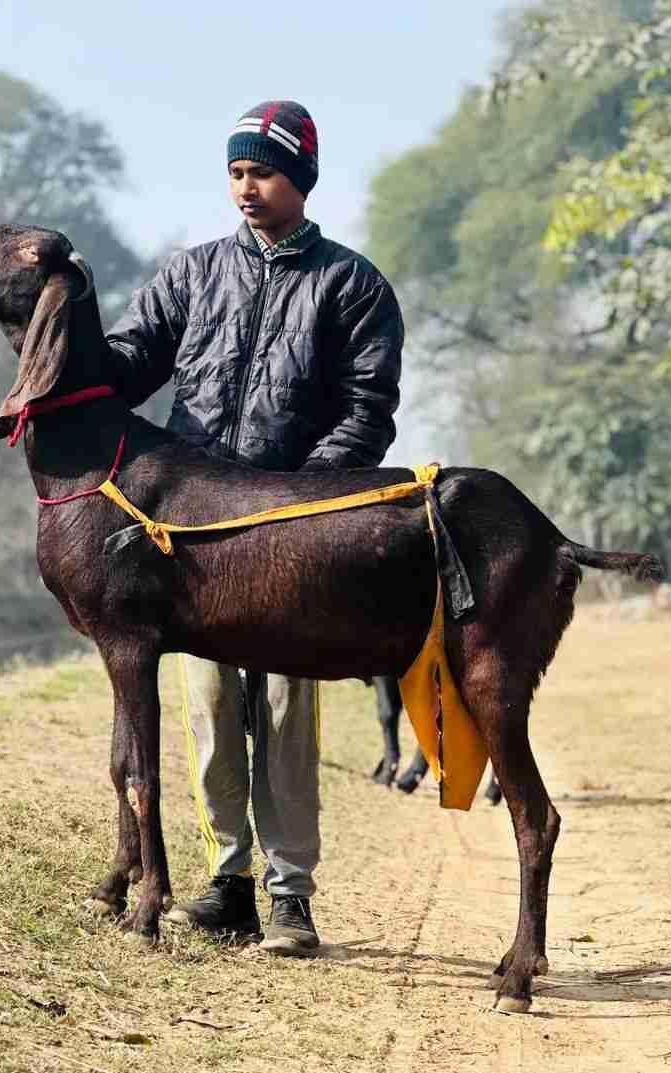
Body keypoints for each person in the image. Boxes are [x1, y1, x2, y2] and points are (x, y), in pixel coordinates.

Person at [105, 100, 404, 955]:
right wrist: (67, 336)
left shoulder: (350, 286)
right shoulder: (192, 275)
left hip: (287, 532)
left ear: (300, 180)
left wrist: (295, 501)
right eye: (236, 172)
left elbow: (366, 411)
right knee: (207, 704)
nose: (246, 188)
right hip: (192, 533)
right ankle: (227, 881)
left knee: (281, 711)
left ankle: (290, 899)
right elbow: (131, 361)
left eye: (262, 172)